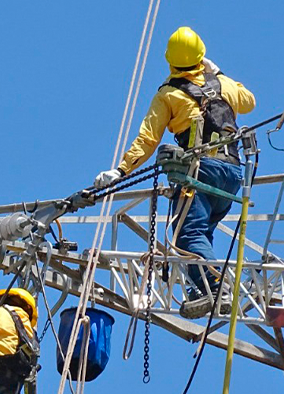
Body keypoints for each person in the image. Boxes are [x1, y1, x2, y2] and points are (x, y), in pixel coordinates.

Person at [94, 26, 256, 319]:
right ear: (201, 57)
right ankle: (204, 284)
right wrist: (219, 74)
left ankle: (214, 286)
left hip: (201, 173)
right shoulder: (223, 86)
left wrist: (121, 170)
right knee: (200, 232)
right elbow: (249, 101)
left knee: (186, 235)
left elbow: (147, 139)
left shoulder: (168, 95)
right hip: (232, 175)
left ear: (170, 62)